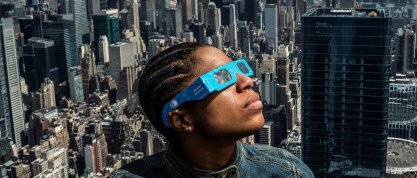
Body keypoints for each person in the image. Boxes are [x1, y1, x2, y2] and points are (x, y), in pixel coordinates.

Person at [110, 42, 314, 177]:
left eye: (238, 69)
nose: (247, 81)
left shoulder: (287, 172)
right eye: (222, 78)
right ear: (182, 120)